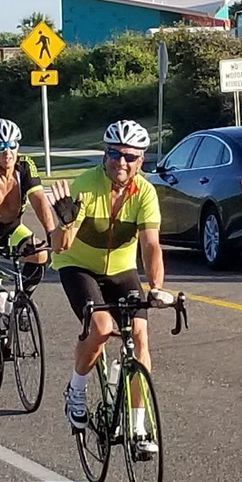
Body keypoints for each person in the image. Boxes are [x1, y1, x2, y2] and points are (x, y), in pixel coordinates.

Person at [49, 119, 171, 454]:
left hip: (121, 270)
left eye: (130, 156)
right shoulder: (87, 186)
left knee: (140, 336)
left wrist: (156, 287)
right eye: (115, 154)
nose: (121, 162)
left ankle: (139, 426)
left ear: (141, 160)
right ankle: (76, 389)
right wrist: (65, 223)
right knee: (101, 328)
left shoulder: (145, 193)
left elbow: (151, 245)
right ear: (105, 154)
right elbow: (60, 246)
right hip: (78, 266)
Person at [0, 119, 57, 390]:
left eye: (12, 145)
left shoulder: (25, 166)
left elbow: (39, 200)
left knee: (40, 254)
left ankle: (20, 302)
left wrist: (51, 232)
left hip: (12, 230)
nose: (7, 152)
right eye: (0, 146)